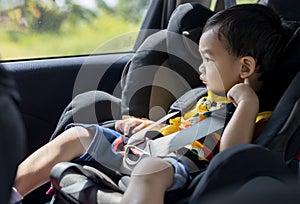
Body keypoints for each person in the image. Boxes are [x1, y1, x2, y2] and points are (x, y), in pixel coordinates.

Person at [10, 4, 288, 204]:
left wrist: (247, 105)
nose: (200, 68)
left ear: (245, 67)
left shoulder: (254, 114)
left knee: (149, 171)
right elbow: (180, 127)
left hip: (178, 168)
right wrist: (150, 127)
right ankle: (10, 194)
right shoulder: (204, 99)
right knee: (76, 135)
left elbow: (232, 159)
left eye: (208, 59)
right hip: (147, 149)